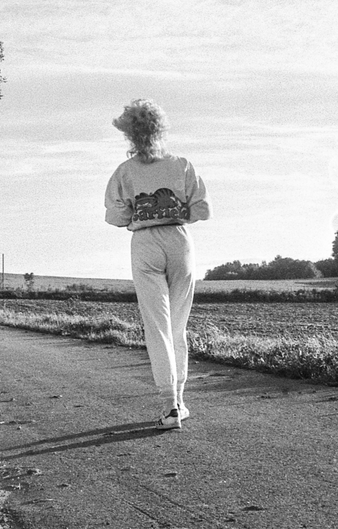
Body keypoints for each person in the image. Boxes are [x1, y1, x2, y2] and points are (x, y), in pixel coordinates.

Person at [104, 99, 211, 430]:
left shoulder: (125, 171)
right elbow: (201, 210)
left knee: (157, 325)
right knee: (177, 326)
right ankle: (179, 400)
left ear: (129, 135)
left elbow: (117, 216)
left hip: (145, 243)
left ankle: (171, 404)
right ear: (160, 129)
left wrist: (141, 210)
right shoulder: (182, 164)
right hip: (180, 242)